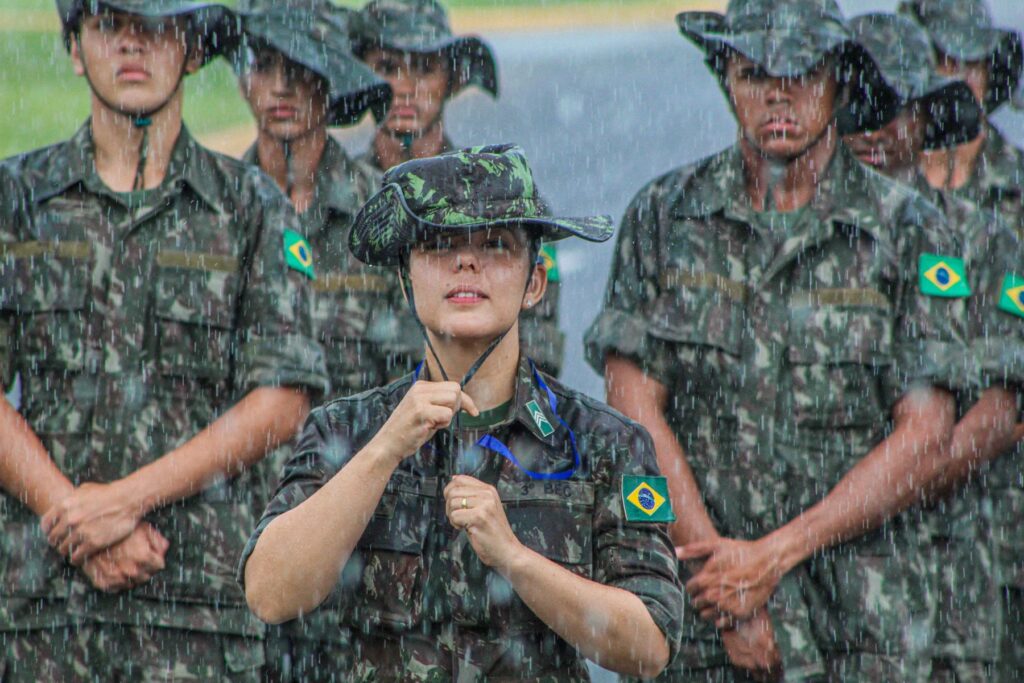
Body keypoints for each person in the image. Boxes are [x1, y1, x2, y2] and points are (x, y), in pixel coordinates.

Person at [585, 0, 971, 680]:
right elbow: (633, 409)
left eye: (803, 71)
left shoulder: (910, 230)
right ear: (725, 78)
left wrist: (775, 556)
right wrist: (730, 593)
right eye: (755, 71)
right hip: (700, 618)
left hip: (859, 621)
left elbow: (926, 434)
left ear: (842, 81)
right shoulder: (664, 215)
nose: (779, 94)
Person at [239, 144, 684, 680]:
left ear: (534, 283)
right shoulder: (346, 430)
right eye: (438, 243)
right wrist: (384, 451)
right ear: (406, 280)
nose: (466, 261)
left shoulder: (602, 443)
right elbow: (269, 593)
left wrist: (516, 559)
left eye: (496, 244)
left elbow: (650, 644)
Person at [0, 1, 328, 679]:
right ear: (72, 48)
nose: (131, 44)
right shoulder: (15, 198)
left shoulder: (248, 206)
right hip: (45, 613)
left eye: (154, 27)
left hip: (196, 611)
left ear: (193, 50)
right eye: (106, 25)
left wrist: (123, 502)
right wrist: (73, 518)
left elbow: (281, 400)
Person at [844, 12, 1022, 681]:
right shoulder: (790, 236)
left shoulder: (979, 236)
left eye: (894, 106)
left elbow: (999, 410)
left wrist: (871, 494)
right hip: (816, 595)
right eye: (859, 103)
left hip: (954, 569)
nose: (873, 126)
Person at [229, 2, 401, 679]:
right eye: (264, 65)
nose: (279, 87)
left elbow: (424, 378)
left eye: (301, 69)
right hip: (233, 544)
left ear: (332, 82)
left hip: (364, 544)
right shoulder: (215, 210)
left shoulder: (386, 215)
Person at [898, 1, 1024, 676]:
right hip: (894, 543)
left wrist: (924, 464)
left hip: (1003, 524)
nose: (951, 75)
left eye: (963, 60)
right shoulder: (879, 194)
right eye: (934, 60)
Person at [350, 0, 566, 378]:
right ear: (360, 74)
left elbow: (538, 356)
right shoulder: (330, 199)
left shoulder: (504, 200)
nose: (404, 87)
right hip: (350, 433)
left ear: (453, 80)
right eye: (386, 68)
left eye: (424, 69)